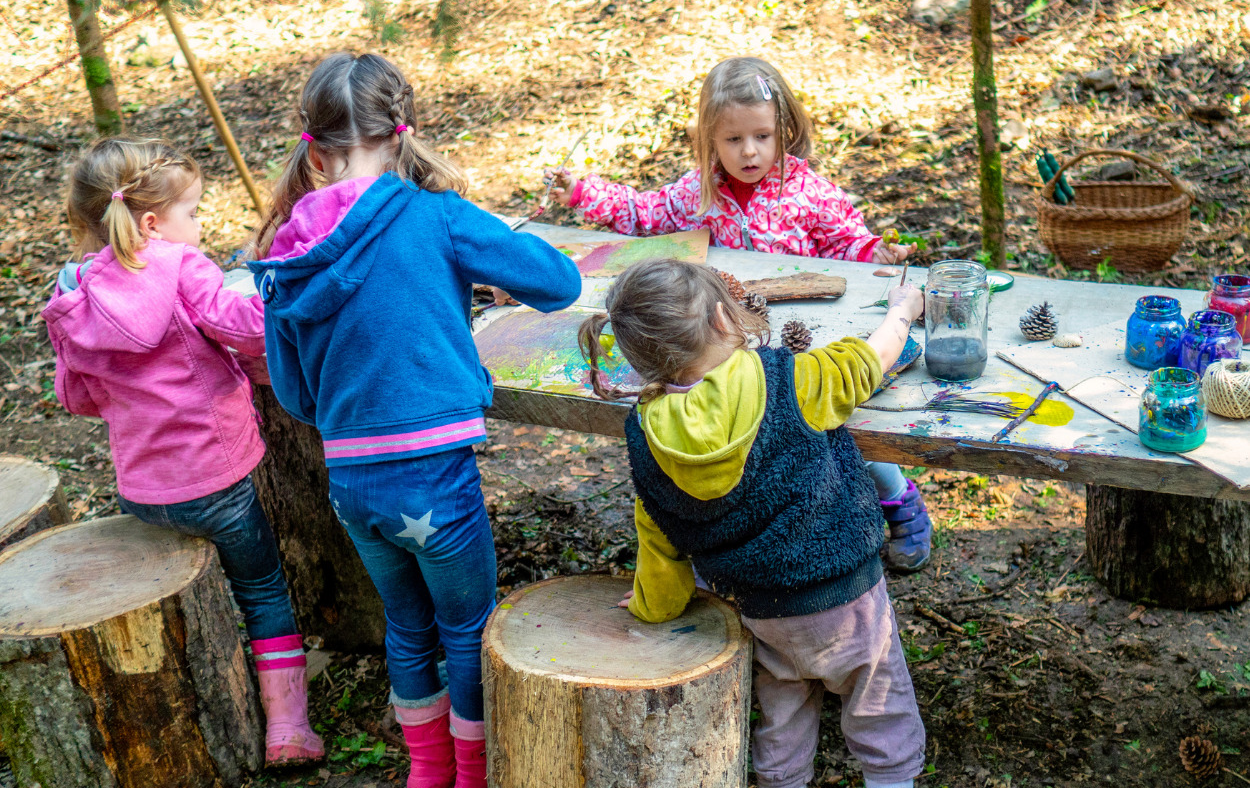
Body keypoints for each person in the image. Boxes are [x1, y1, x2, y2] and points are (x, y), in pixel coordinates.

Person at [248, 52, 582, 788]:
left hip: (352, 483)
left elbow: (297, 397)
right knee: (466, 626)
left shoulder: (286, 249)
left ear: (317, 145)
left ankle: (426, 772)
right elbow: (560, 283)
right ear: (401, 133)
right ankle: (473, 774)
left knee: (409, 627)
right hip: (435, 476)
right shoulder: (437, 215)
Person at [550, 56, 931, 572]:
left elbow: (849, 243)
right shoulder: (697, 194)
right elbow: (642, 214)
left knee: (840, 418)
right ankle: (754, 523)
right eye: (733, 140)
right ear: (710, 139)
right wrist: (581, 193)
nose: (749, 152)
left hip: (803, 342)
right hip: (726, 348)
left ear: (783, 131)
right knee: (758, 444)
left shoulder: (808, 191)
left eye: (762, 136)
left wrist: (875, 254)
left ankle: (895, 498)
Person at [579, 258, 927, 788]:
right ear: (724, 318)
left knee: (782, 709)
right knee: (879, 705)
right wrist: (902, 312)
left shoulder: (645, 435)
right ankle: (893, 779)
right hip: (847, 597)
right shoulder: (791, 378)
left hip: (758, 608)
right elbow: (867, 361)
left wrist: (654, 605)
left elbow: (660, 540)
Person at [43, 138, 324, 767]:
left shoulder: (74, 292)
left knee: (212, 585)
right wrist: (280, 294)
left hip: (143, 491)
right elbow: (246, 327)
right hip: (218, 479)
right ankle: (288, 729)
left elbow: (78, 397)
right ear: (151, 222)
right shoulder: (180, 266)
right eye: (192, 212)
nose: (198, 226)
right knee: (264, 591)